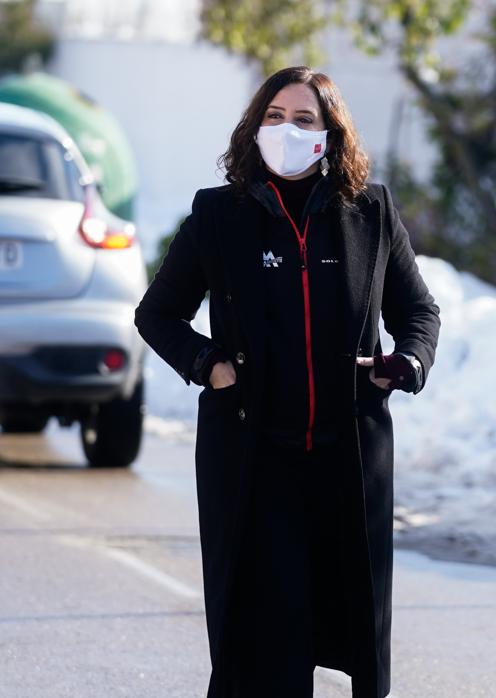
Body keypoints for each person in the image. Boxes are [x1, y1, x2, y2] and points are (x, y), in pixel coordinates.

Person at [134, 65, 440, 698]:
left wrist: (405, 363)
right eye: (274, 117)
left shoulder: (370, 213)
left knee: (350, 630)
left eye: (304, 120)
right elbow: (157, 315)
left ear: (331, 135)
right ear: (254, 128)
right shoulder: (219, 215)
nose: (287, 131)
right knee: (269, 649)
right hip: (255, 465)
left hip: (346, 467)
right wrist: (208, 366)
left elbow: (418, 312)